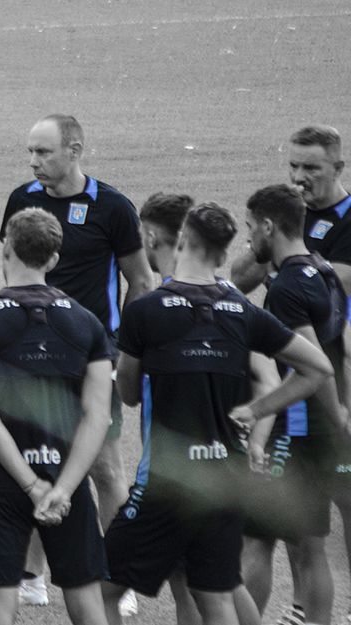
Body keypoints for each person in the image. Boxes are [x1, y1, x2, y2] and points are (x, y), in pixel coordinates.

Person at [104, 202, 333, 625]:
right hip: (225, 483)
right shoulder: (243, 312)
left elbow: (130, 394)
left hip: (167, 484)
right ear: (226, 255)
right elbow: (318, 367)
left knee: (100, 589)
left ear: (178, 240)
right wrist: (258, 409)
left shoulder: (145, 312)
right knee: (216, 597)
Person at [0, 113, 155, 608]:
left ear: (75, 149)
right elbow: (12, 270)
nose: (33, 162)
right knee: (34, 459)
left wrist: (121, 348)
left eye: (43, 152)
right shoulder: (22, 201)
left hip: (93, 361)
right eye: (30, 152)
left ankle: (117, 574)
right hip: (31, 358)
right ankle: (30, 575)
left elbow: (142, 282)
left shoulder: (111, 207)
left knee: (105, 469)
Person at [0, 207, 110, 625]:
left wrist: (31, 484)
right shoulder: (87, 324)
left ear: (6, 247)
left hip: (4, 483)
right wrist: (61, 489)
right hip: (69, 483)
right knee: (87, 604)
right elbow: (98, 418)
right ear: (54, 259)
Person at [241, 184, 350, 625]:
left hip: (301, 430)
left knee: (265, 541)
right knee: (310, 547)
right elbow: (343, 348)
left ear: (269, 226)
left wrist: (260, 409)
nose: (249, 240)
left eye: (250, 228)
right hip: (327, 429)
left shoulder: (285, 287)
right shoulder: (323, 271)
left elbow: (316, 366)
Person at [232, 125, 351, 296]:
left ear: (337, 169)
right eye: (294, 166)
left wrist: (278, 269)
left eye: (311, 168)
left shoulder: (347, 218)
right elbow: (239, 282)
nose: (298, 177)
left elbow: (335, 289)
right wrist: (267, 235)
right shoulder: (288, 212)